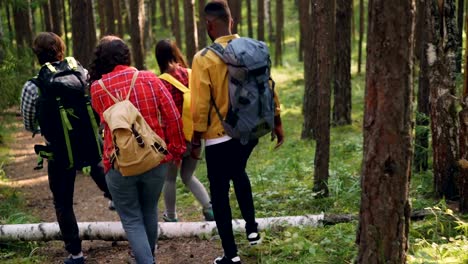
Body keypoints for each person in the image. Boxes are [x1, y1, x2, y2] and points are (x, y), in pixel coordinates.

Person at [190, 1, 284, 264]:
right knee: (239, 172)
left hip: (219, 136)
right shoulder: (254, 48)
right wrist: (277, 120)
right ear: (230, 22)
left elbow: (199, 104)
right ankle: (252, 229)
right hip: (250, 131)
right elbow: (266, 84)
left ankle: (231, 256)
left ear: (210, 24)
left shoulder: (203, 58)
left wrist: (196, 138)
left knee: (219, 193)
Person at [89, 36, 186, 264]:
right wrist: (175, 150)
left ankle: (145, 260)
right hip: (154, 159)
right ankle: (147, 257)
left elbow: (103, 123)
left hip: (119, 163)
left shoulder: (97, 89)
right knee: (150, 210)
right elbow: (172, 115)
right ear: (127, 55)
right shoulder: (150, 78)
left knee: (132, 219)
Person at [20, 32, 113, 264]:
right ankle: (136, 230)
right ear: (61, 49)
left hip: (59, 151)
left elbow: (29, 122)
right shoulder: (81, 73)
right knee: (113, 189)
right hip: (90, 145)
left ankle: (75, 254)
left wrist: (47, 126)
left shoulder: (34, 85)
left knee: (63, 202)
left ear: (37, 55)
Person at [155, 39, 214, 222]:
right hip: (196, 135)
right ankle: (209, 209)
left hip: (174, 138)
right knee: (188, 175)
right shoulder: (191, 74)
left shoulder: (161, 82)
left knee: (169, 179)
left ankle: (171, 216)